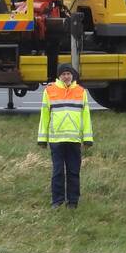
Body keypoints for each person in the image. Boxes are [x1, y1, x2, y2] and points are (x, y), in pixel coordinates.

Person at [37, 63, 93, 208]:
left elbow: (86, 116)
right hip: (56, 140)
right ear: (59, 76)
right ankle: (57, 201)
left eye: (69, 74)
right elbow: (44, 116)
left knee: (74, 172)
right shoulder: (49, 91)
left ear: (72, 75)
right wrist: (42, 139)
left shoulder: (81, 91)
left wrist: (87, 138)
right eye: (63, 74)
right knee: (57, 172)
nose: (66, 76)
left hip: (74, 140)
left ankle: (73, 202)